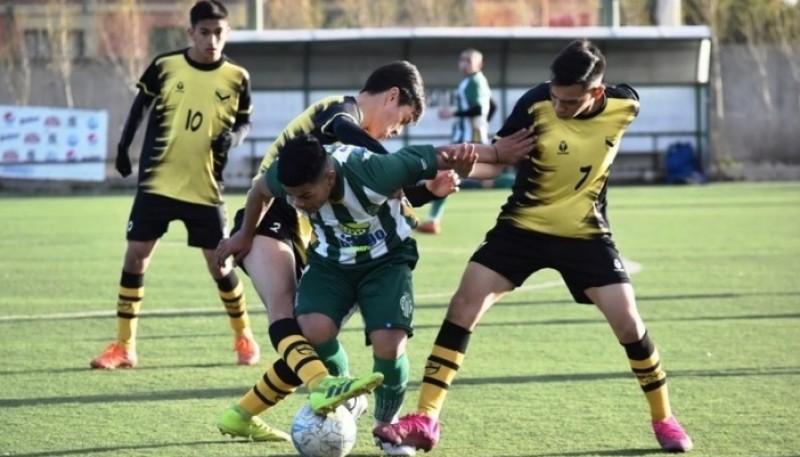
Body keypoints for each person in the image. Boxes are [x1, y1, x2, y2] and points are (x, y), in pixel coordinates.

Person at [374, 39, 694, 453]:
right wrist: (466, 167)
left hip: (585, 233)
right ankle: (426, 418)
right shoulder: (535, 103)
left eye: (569, 101)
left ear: (597, 93)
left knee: (629, 323)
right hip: (522, 228)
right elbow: (500, 160)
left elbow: (622, 100)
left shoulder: (625, 107)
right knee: (463, 306)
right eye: (555, 97)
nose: (558, 106)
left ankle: (664, 418)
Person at [213, 60, 535, 448]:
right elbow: (343, 147)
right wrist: (244, 236)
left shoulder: (355, 166)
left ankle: (282, 408)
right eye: (403, 119)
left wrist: (449, 178)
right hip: (277, 217)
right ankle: (317, 389)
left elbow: (384, 183)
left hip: (323, 228)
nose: (398, 129)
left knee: (332, 337)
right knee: (294, 320)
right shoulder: (342, 112)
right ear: (393, 96)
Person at [90, 0, 260, 370]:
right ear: (191, 33)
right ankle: (124, 346)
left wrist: (235, 138)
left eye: (219, 33)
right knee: (136, 255)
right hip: (157, 183)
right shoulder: (165, 66)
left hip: (205, 187)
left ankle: (244, 334)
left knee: (220, 264)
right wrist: (123, 147)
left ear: (227, 33)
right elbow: (140, 107)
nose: (212, 40)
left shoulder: (237, 77)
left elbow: (245, 122)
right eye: (204, 32)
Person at [416, 48, 492, 235]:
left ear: (479, 64)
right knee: (446, 174)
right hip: (465, 135)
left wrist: (455, 113)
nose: (464, 63)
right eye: (462, 60)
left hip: (468, 138)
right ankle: (433, 220)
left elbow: (479, 108)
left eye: (469, 60)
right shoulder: (471, 81)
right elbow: (491, 105)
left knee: (446, 173)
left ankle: (433, 220)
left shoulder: (474, 81)